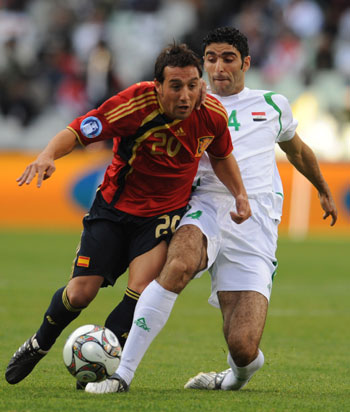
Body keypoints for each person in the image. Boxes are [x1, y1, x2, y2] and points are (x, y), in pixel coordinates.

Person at [85, 26, 337, 394]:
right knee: (180, 263)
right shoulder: (184, 103)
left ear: (246, 63)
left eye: (228, 58)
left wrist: (323, 188)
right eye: (211, 59)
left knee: (243, 346)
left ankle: (235, 376)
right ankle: (121, 375)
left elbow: (297, 151)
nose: (219, 67)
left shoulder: (272, 105)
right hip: (205, 206)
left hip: (255, 224)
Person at [5, 42, 252, 386]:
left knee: (140, 289)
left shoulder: (211, 115)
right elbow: (78, 130)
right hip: (113, 210)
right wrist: (48, 155)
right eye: (176, 86)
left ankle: (101, 364)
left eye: (193, 85)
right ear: (157, 86)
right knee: (79, 294)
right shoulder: (133, 104)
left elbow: (223, 156)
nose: (186, 96)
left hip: (160, 217)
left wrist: (240, 194)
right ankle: (38, 344)